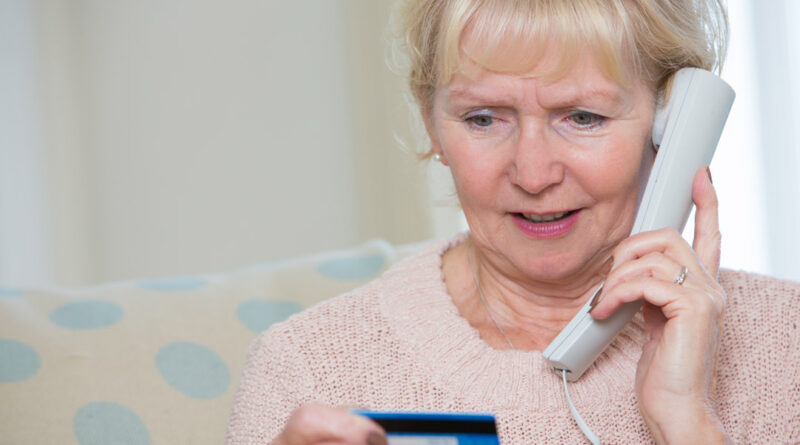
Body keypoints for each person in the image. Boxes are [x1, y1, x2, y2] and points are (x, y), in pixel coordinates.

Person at [226, 0, 800, 443]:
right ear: (433, 127)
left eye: (582, 117)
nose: (532, 173)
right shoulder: (307, 368)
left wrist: (688, 421)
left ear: (673, 128)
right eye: (483, 119)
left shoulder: (785, 342)